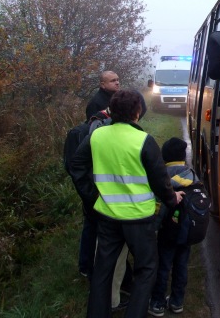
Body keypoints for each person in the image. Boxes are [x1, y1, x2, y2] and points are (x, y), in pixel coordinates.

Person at [69, 90, 184, 318]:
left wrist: (93, 198)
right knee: (146, 269)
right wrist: (173, 199)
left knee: (102, 271)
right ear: (137, 112)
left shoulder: (97, 136)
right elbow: (161, 181)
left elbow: (77, 167)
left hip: (108, 217)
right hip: (139, 219)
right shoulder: (144, 141)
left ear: (111, 111)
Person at [148, 137, 194, 316]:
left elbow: (159, 208)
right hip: (187, 232)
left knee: (164, 266)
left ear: (164, 157)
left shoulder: (164, 177)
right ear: (183, 156)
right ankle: (177, 302)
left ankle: (158, 303)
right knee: (181, 266)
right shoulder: (191, 174)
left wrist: (152, 229)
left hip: (168, 233)